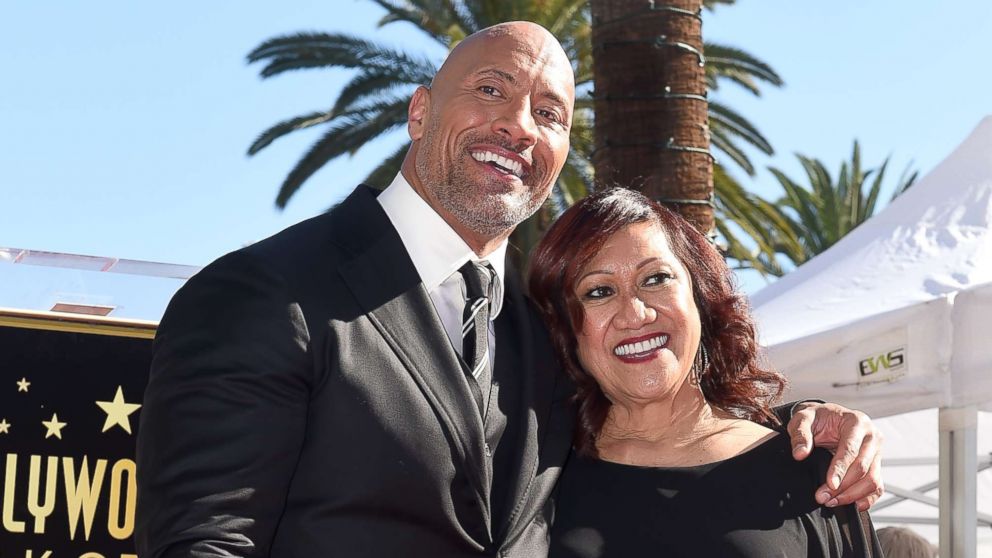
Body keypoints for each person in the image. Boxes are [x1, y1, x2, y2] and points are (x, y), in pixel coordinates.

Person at [136, 22, 883, 558]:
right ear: (420, 111)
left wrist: (805, 424)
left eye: (550, 113)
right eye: (491, 89)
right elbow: (207, 541)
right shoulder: (266, 291)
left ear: (560, 153)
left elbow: (661, 421)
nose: (518, 125)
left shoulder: (542, 339)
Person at [530, 188, 883, 557]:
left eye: (655, 279)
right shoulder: (536, 481)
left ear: (699, 295)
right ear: (565, 329)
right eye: (599, 291)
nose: (635, 315)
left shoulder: (814, 472)